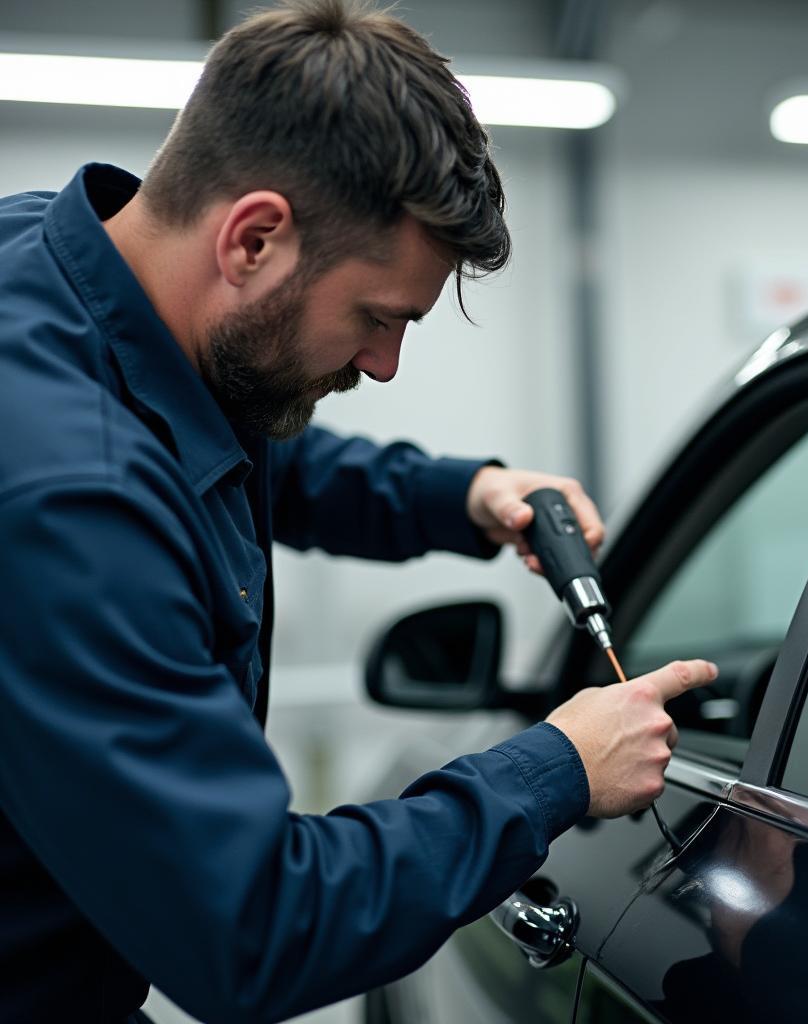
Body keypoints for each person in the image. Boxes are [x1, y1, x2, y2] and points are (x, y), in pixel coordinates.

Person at [0, 2, 718, 1022]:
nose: (383, 364)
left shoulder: (70, 272)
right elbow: (252, 928)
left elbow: (226, 450)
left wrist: (460, 495)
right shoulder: (74, 505)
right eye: (377, 318)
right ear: (252, 238)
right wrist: (553, 771)